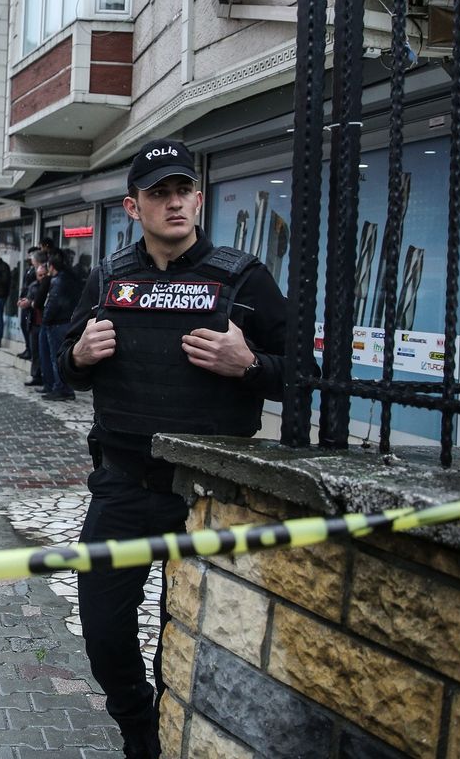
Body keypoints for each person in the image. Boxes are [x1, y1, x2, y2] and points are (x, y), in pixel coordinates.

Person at [58, 138, 289, 759]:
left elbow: (307, 374)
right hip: (123, 486)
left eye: (183, 190)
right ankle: (140, 729)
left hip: (209, 496)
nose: (174, 202)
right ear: (134, 207)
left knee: (182, 632)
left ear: (199, 198)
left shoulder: (242, 278)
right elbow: (68, 364)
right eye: (159, 193)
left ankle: (170, 733)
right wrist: (78, 357)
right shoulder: (110, 277)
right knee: (105, 630)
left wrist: (249, 366)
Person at [38, 251, 79, 401]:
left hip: (57, 324)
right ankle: (62, 387)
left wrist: (46, 320)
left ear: (52, 267)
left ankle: (62, 388)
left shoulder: (58, 281)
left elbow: (53, 304)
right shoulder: (68, 278)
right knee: (59, 357)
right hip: (65, 321)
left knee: (57, 358)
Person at [22, 256, 48, 386]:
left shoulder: (50, 285)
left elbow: (42, 303)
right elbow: (28, 299)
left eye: (44, 275)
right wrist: (24, 302)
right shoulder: (33, 286)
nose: (41, 277)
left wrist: (31, 303)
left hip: (46, 323)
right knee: (35, 352)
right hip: (34, 322)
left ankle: (46, 377)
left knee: (45, 353)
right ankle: (35, 375)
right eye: (39, 275)